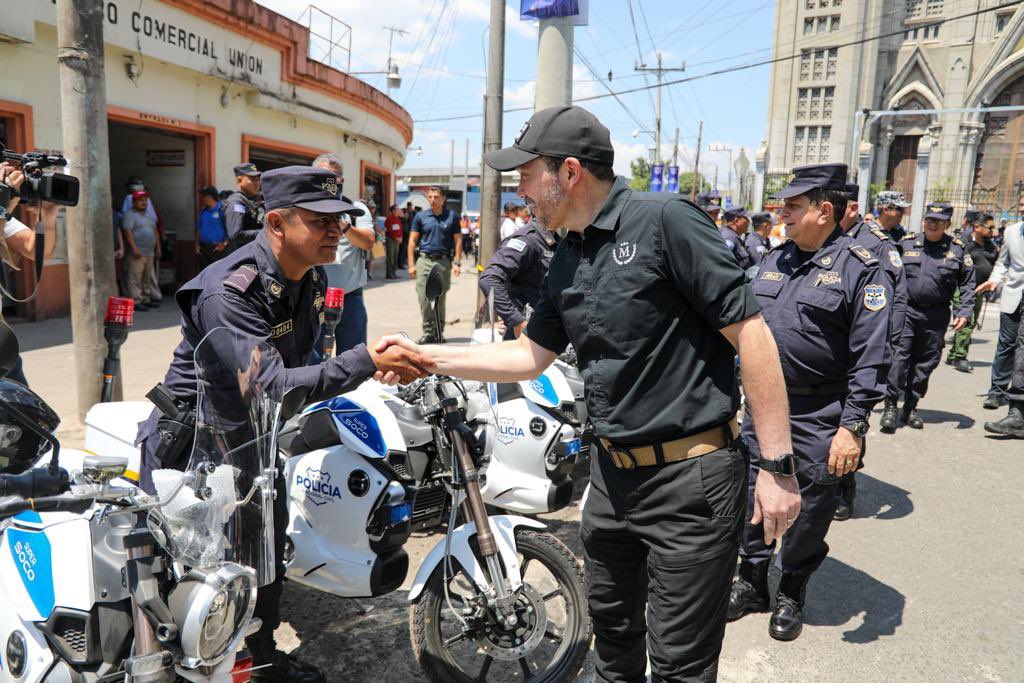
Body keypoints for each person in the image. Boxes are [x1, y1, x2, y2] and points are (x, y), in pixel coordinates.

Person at [381, 105, 799, 681]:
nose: (520, 189)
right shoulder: (567, 253)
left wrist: (777, 467)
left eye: (526, 174)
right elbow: (529, 356)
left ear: (569, 172)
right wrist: (425, 356)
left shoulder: (665, 220)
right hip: (610, 482)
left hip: (691, 483)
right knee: (613, 649)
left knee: (680, 665)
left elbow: (751, 334)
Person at [135, 166, 430, 683]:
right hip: (194, 449)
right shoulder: (230, 291)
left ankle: (258, 656)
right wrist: (364, 360)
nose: (337, 232)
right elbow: (275, 386)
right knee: (198, 571)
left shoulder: (310, 278)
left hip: (251, 439)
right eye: (321, 222)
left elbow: (299, 368)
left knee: (265, 549)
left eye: (340, 220)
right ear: (276, 222)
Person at [728, 163, 893, 642]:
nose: (783, 213)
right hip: (761, 408)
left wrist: (853, 426)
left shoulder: (862, 267)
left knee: (811, 506)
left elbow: (872, 357)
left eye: (794, 205)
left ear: (825, 210)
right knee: (754, 497)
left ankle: (791, 590)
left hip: (820, 413)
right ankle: (753, 581)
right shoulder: (771, 261)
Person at [833, 182, 907, 521]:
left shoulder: (876, 245)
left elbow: (895, 301)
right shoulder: (822, 238)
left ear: (849, 208)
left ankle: (844, 488)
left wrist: (884, 350)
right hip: (825, 351)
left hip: (860, 349)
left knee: (850, 418)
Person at [879, 203, 974, 432]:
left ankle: (910, 407)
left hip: (937, 315)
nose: (933, 224)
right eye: (929, 219)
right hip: (907, 312)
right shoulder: (907, 244)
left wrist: (965, 311)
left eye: (939, 221)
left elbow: (969, 284)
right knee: (899, 360)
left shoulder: (957, 250)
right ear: (923, 221)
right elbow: (888, 276)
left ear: (947, 224)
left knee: (925, 363)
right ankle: (890, 406)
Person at [0, 162, 60, 385]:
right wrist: (3, 206)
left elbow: (35, 250)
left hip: (3, 345)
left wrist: (48, 219)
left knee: (26, 417)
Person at [312, 153, 375, 355]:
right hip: (312, 297)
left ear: (342, 180)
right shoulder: (305, 209)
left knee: (353, 357)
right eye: (323, 174)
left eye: (335, 175)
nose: (330, 179)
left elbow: (368, 242)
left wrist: (343, 224)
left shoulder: (356, 209)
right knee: (312, 360)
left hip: (349, 296)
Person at [478, 215, 559, 340]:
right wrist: (516, 321)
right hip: (527, 334)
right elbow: (489, 279)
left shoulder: (558, 241)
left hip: (548, 330)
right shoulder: (528, 239)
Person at [977, 196, 1024, 410]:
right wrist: (994, 280)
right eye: (1021, 203)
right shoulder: (1012, 231)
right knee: (1006, 344)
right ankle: (997, 391)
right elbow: (1003, 262)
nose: (1021, 208)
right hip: (1014, 296)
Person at [946, 212, 998, 373]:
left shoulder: (991, 245)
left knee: (971, 323)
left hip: (980, 289)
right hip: (962, 289)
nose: (992, 231)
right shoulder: (963, 242)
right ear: (977, 227)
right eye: (990, 228)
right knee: (967, 321)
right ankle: (960, 357)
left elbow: (995, 263)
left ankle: (953, 353)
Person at [408, 186, 462, 344]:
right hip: (424, 260)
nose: (432, 200)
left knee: (439, 298)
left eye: (436, 197)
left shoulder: (452, 216)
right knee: (423, 297)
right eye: (430, 197)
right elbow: (412, 241)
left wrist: (457, 262)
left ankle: (439, 332)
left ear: (443, 199)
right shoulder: (421, 216)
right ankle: (428, 331)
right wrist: (411, 264)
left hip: (443, 261)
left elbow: (458, 240)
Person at [121, 176, 165, 305]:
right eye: (140, 201)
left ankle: (146, 298)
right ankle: (136, 300)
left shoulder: (149, 216)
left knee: (146, 278)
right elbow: (127, 232)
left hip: (150, 252)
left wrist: (158, 248)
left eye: (145, 200)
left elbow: (155, 232)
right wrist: (135, 248)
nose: (143, 203)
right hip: (137, 253)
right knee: (134, 277)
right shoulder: (129, 215)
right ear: (134, 202)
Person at [224, 162, 264, 250]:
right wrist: (265, 233)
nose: (257, 183)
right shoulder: (236, 202)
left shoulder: (250, 200)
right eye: (253, 179)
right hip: (240, 257)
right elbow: (235, 235)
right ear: (239, 180)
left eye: (258, 179)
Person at [195, 185, 228, 269]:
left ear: (210, 196)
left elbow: (230, 229)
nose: (202, 198)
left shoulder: (222, 209)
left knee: (217, 275)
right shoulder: (203, 211)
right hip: (204, 249)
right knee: (204, 275)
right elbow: (199, 228)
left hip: (217, 249)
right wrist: (197, 245)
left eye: (204, 196)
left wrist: (224, 244)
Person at [384, 204, 403, 279]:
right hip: (391, 240)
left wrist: (401, 238)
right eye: (397, 209)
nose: (399, 211)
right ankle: (389, 273)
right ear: (393, 211)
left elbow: (400, 229)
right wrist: (396, 238)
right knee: (390, 257)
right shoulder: (389, 219)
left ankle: (394, 272)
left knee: (395, 257)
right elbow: (390, 230)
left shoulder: (398, 219)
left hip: (397, 240)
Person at [398, 201, 413, 270]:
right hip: (403, 235)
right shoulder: (402, 219)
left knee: (404, 250)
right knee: (402, 250)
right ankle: (401, 263)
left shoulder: (410, 215)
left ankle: (402, 262)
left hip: (406, 234)